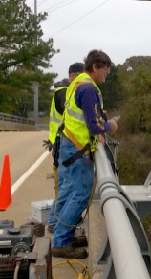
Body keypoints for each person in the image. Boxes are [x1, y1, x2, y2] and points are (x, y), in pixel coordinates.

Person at [52, 49, 118, 259]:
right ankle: (61, 241)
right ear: (95, 68)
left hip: (69, 145)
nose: (107, 74)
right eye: (105, 69)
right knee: (80, 194)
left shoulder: (77, 83)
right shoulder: (89, 89)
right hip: (77, 148)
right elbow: (94, 125)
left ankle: (65, 234)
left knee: (72, 191)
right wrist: (110, 126)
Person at [43, 63, 84, 233]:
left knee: (64, 185)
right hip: (63, 143)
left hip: (61, 143)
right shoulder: (64, 93)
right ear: (73, 76)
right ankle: (55, 222)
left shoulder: (63, 91)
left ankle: (57, 220)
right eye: (81, 78)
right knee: (67, 185)